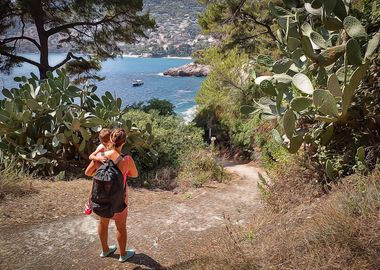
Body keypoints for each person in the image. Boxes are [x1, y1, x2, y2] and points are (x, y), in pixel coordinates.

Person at [85, 128, 138, 262]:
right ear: (123, 142)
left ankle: (105, 250)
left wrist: (98, 163)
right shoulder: (126, 159)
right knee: (120, 226)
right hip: (119, 200)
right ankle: (123, 254)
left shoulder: (102, 156)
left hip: (102, 199)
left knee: (103, 223)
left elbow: (88, 172)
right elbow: (135, 174)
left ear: (111, 140)